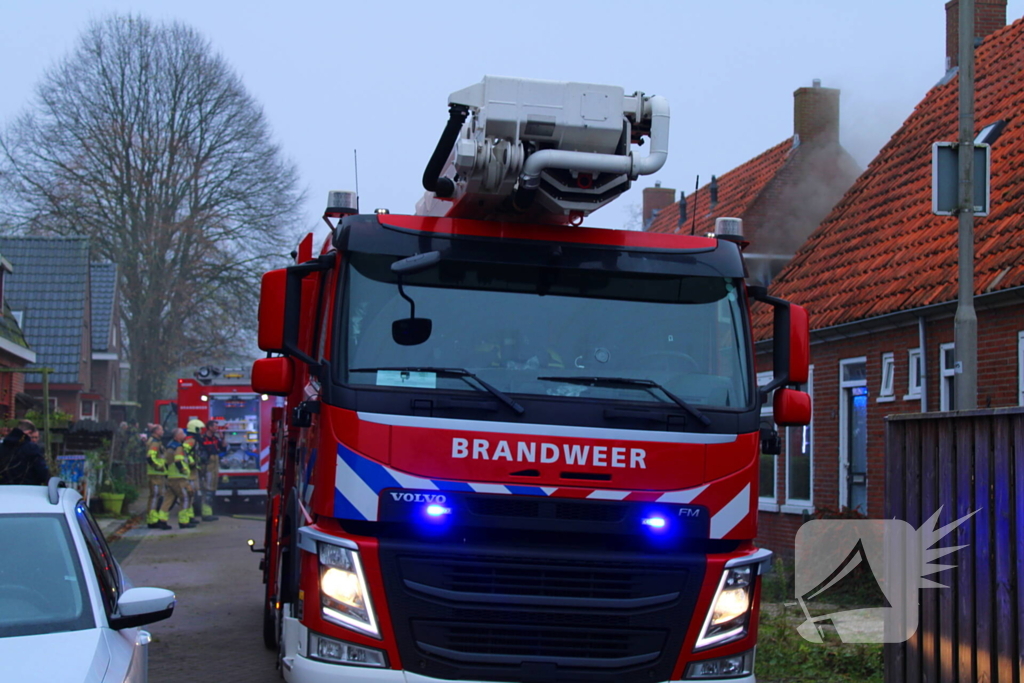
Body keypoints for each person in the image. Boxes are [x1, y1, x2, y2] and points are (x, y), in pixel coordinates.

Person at [159, 428, 195, 529]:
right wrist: (184, 470)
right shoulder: (179, 447)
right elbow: (178, 461)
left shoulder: (169, 446)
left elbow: (166, 462)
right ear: (177, 437)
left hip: (171, 477)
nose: (184, 435)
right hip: (179, 478)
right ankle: (183, 522)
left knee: (168, 499)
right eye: (182, 433)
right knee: (185, 498)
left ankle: (162, 520)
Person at [0, 420, 49, 485]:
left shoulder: (2, 447)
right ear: (29, 432)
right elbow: (42, 472)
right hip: (28, 490)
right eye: (32, 437)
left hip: (4, 491)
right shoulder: (31, 448)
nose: (33, 440)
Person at [145, 424, 171, 529]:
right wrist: (158, 466)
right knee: (155, 496)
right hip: (156, 474)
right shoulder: (154, 442)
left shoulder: (156, 441)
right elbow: (150, 457)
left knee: (158, 496)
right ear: (156, 431)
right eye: (161, 430)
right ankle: (152, 520)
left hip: (158, 474)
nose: (163, 432)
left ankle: (154, 518)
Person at [198, 421, 224, 521]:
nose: (217, 428)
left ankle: (208, 512)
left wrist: (222, 438)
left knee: (212, 489)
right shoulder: (202, 438)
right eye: (215, 426)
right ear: (209, 427)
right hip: (207, 466)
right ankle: (206, 514)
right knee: (207, 490)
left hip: (214, 466)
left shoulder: (215, 438)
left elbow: (223, 448)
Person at [183, 419, 204, 525]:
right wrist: (191, 463)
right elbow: (184, 452)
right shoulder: (191, 441)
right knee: (190, 494)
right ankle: (187, 517)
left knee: (192, 495)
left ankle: (190, 516)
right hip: (190, 472)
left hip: (194, 470)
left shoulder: (194, 440)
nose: (201, 431)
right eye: (199, 429)